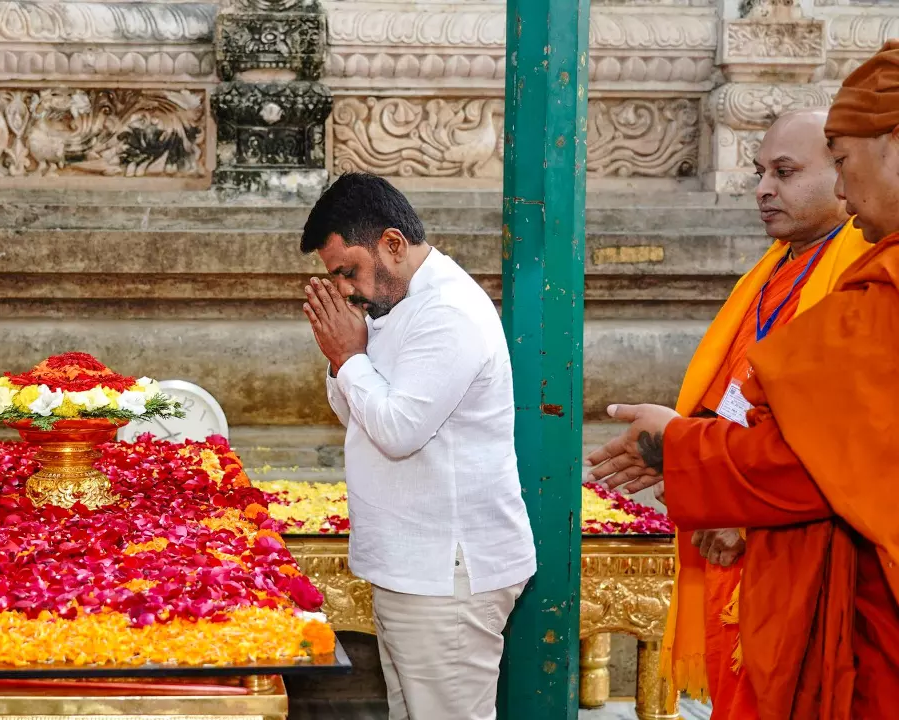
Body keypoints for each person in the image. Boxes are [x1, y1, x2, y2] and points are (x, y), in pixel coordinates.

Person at [587, 40, 899, 720]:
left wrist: (680, 448)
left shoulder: (873, 283)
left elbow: (815, 457)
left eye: (841, 163)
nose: (846, 191)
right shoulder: (796, 271)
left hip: (827, 559)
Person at [299, 172, 536, 720]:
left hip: (447, 574)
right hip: (415, 567)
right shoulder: (397, 303)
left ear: (393, 244)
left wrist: (349, 358)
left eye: (348, 271)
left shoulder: (446, 312)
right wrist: (345, 360)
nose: (345, 289)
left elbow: (399, 429)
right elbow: (356, 414)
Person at [660, 108, 871, 719]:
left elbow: (838, 429)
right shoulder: (775, 266)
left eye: (784, 171)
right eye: (759, 172)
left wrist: (744, 509)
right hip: (728, 509)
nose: (762, 189)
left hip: (785, 533)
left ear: (843, 173)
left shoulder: (857, 270)